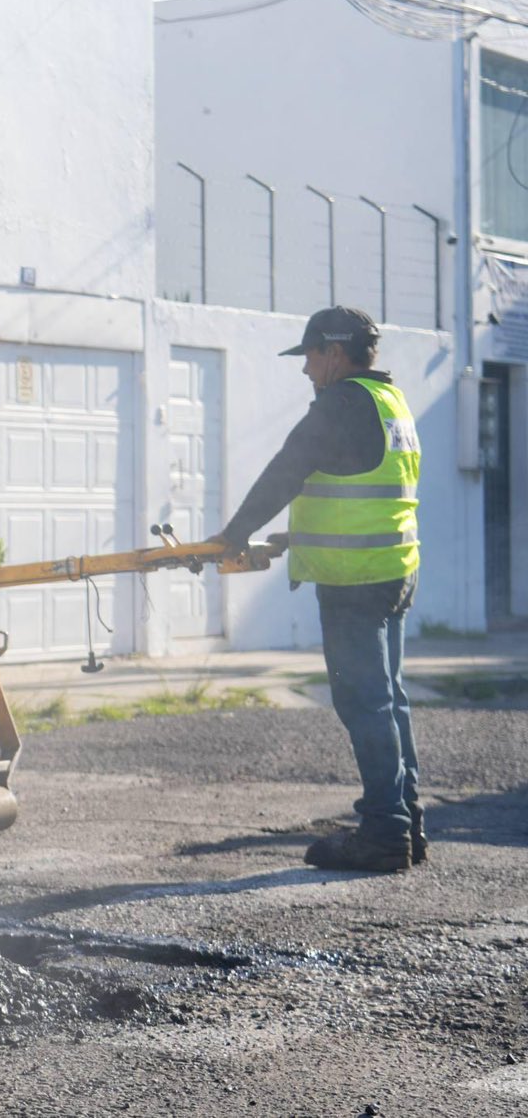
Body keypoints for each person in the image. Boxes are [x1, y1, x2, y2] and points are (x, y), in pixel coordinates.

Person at [219, 306, 421, 873]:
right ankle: (406, 819)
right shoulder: (390, 401)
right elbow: (360, 486)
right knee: (390, 700)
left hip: (353, 582)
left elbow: (289, 468)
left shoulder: (341, 403)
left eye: (308, 356)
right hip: (393, 569)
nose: (305, 369)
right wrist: (294, 534)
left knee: (365, 703)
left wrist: (235, 534)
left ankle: (385, 832)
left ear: (333, 352)